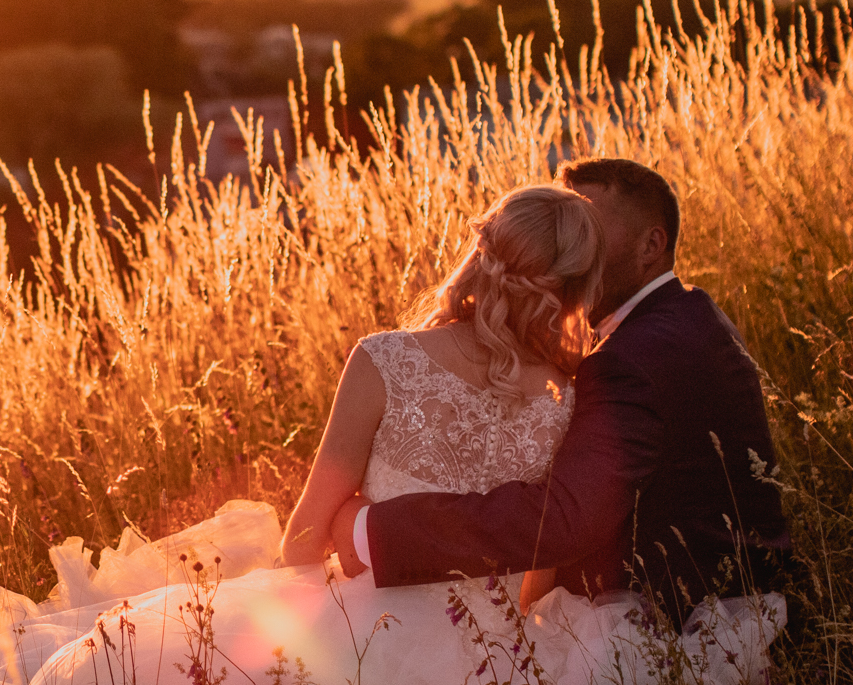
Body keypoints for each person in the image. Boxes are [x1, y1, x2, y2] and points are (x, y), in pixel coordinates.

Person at [0, 176, 783, 685]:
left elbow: (306, 534)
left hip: (363, 630)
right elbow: (542, 553)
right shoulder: (570, 392)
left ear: (480, 252)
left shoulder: (385, 359)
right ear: (573, 285)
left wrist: (316, 567)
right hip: (482, 663)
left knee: (114, 656)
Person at [338, 157, 792, 635]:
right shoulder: (687, 315)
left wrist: (370, 532)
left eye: (589, 228)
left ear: (652, 245)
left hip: (693, 626)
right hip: (737, 599)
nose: (571, 247)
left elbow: (564, 519)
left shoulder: (632, 357)